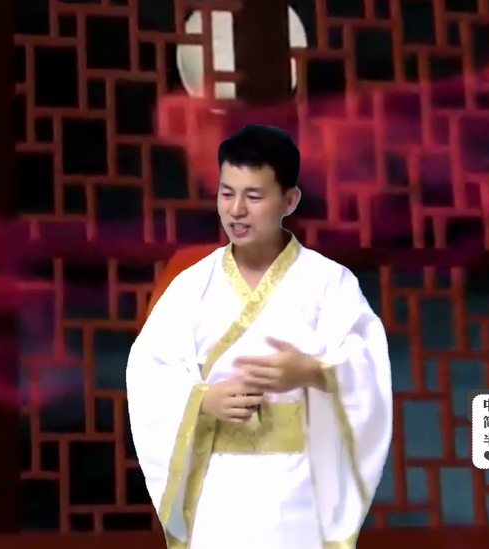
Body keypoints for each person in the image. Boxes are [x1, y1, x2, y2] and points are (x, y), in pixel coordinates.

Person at [126, 124, 392, 549]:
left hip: (297, 487)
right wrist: (201, 399)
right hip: (218, 488)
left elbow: (367, 366)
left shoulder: (329, 283)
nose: (236, 210)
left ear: (289, 200)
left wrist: (312, 371)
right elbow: (148, 372)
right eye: (226, 193)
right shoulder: (191, 287)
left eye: (253, 196)